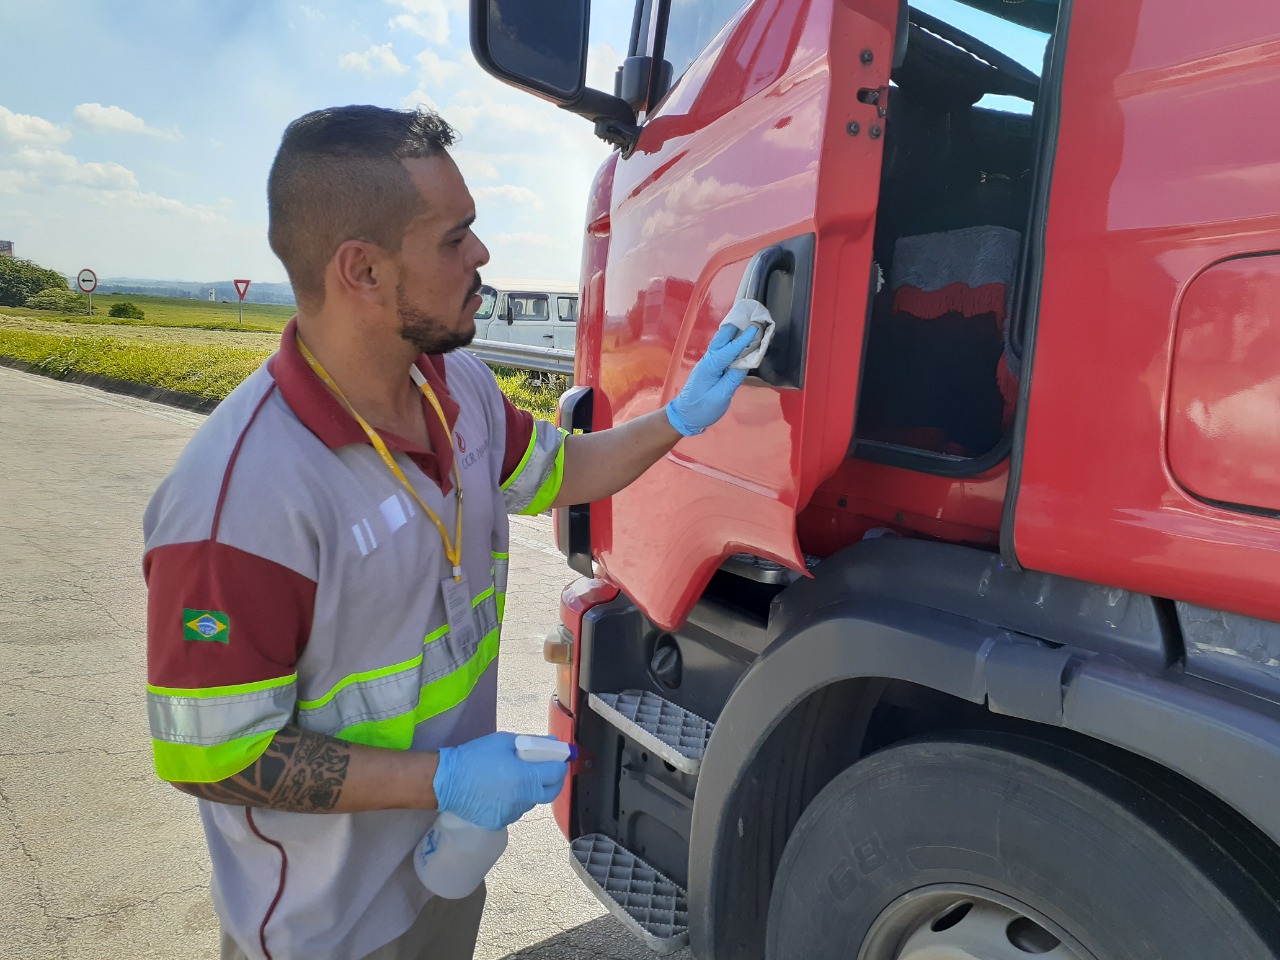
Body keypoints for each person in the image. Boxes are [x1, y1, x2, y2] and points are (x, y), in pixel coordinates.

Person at [142, 104, 758, 960]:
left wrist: (680, 418)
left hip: (443, 870)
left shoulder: (454, 388)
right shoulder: (239, 504)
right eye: (454, 238)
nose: (482, 255)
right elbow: (214, 755)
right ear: (362, 271)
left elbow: (562, 472)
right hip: (324, 928)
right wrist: (445, 776)